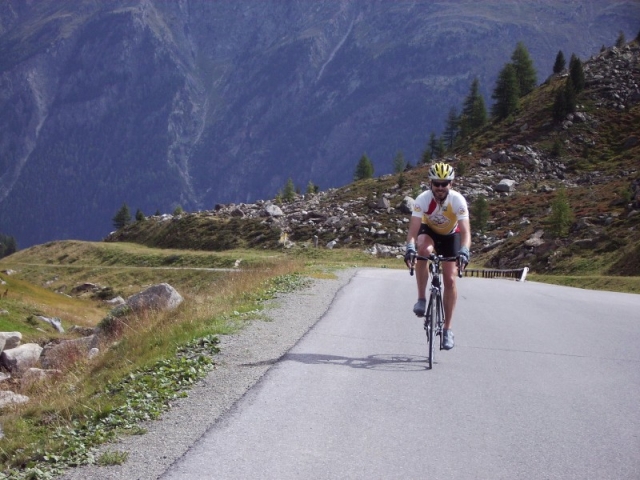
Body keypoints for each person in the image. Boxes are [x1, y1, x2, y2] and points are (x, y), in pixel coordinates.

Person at [403, 162, 471, 350]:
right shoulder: (423, 199)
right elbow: (413, 231)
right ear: (430, 183)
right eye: (436, 184)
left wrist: (464, 250)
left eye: (444, 183)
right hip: (429, 232)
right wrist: (410, 248)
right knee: (423, 251)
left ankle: (447, 329)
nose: (440, 188)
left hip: (451, 236)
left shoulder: (458, 201)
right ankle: (421, 298)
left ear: (451, 184)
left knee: (450, 280)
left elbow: (466, 232)